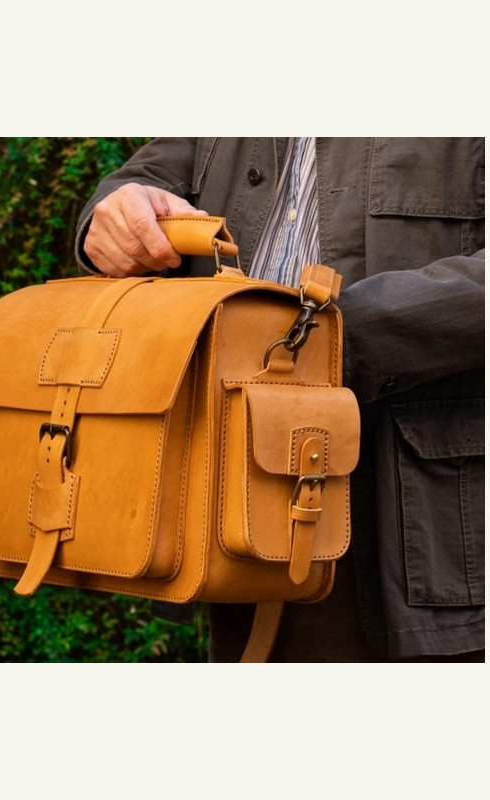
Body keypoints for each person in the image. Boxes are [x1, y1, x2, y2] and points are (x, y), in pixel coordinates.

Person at [75, 138, 485, 662]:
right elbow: (144, 180)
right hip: (227, 498)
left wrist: (329, 338)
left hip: (412, 510)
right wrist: (113, 214)